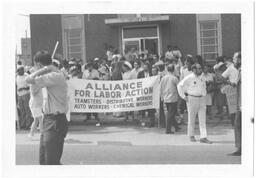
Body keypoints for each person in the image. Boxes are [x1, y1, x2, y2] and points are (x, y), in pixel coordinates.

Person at [25, 50, 68, 165]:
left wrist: (42, 70)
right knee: (43, 161)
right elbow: (33, 91)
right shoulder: (50, 76)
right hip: (48, 120)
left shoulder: (54, 76)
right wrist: (43, 71)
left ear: (38, 64)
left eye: (36, 65)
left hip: (55, 121)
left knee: (51, 163)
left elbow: (28, 79)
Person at [177, 63, 212, 144]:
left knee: (202, 119)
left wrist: (204, 94)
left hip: (202, 99)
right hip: (192, 98)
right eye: (198, 68)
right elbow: (179, 86)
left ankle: (203, 137)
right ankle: (191, 135)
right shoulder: (189, 77)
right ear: (193, 70)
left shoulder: (202, 77)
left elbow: (204, 87)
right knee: (191, 118)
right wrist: (183, 96)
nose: (200, 70)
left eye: (200, 68)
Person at [160, 64, 181, 134]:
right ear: (173, 70)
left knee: (171, 113)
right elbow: (179, 88)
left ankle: (176, 126)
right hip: (173, 98)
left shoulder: (163, 78)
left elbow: (161, 88)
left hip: (166, 97)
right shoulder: (174, 78)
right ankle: (168, 129)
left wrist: (162, 97)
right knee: (171, 114)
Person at [228, 52, 241, 156]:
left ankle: (239, 148)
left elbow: (235, 85)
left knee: (237, 125)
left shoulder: (241, 70)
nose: (233, 60)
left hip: (242, 104)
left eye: (235, 58)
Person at [221, 56, 239, 126]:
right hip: (232, 88)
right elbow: (222, 77)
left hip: (240, 87)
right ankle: (234, 124)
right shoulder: (230, 68)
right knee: (232, 107)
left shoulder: (241, 67)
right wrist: (230, 83)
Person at [82, 62, 101, 126]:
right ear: (87, 67)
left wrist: (91, 79)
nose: (90, 68)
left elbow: (97, 79)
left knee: (94, 102)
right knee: (87, 102)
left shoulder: (95, 71)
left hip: (93, 89)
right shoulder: (85, 72)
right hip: (87, 89)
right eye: (88, 66)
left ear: (92, 66)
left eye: (91, 66)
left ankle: (96, 116)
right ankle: (88, 116)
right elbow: (82, 80)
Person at [138, 62, 155, 127]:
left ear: (148, 67)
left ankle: (152, 122)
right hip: (143, 93)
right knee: (143, 110)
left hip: (150, 93)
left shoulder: (151, 73)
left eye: (146, 66)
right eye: (143, 66)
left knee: (151, 109)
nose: (145, 67)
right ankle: (143, 122)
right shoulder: (140, 74)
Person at [28, 67, 44, 138]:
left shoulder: (36, 82)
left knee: (36, 120)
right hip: (35, 103)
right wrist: (39, 86)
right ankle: (42, 135)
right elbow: (34, 93)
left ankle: (31, 134)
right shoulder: (33, 83)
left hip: (37, 103)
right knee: (40, 119)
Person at [16, 65, 33, 130]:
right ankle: (22, 124)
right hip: (19, 95)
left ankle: (27, 125)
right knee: (22, 111)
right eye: (19, 70)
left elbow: (30, 86)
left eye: (21, 70)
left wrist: (23, 88)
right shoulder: (17, 76)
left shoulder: (26, 76)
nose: (19, 72)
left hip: (26, 94)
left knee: (27, 110)